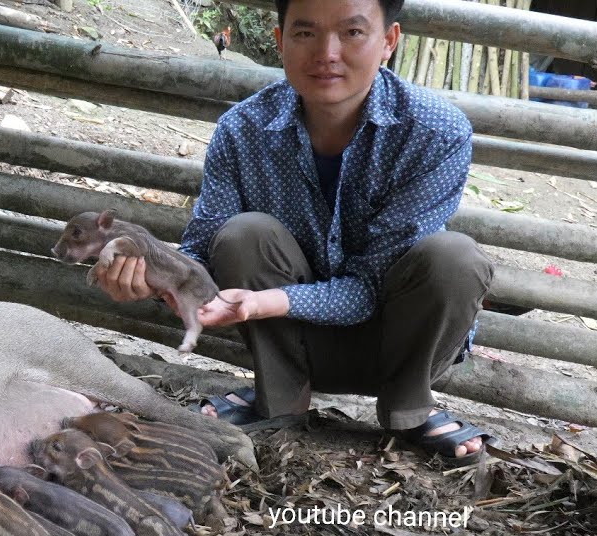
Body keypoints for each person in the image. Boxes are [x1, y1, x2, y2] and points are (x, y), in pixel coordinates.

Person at [96, 0, 495, 466]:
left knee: (454, 258)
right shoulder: (242, 129)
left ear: (389, 40)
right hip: (290, 343)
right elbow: (200, 251)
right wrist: (150, 278)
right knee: (244, 233)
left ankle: (409, 409)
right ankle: (280, 398)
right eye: (305, 33)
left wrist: (269, 301)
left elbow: (369, 289)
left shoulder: (436, 131)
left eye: (352, 33)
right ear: (280, 41)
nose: (327, 53)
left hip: (397, 344)